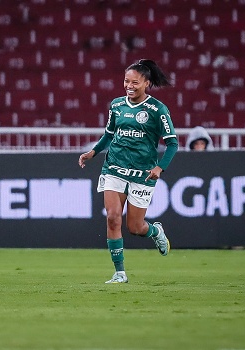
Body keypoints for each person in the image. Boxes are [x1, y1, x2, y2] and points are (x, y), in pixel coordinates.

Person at [78, 59, 178, 284]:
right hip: (113, 168)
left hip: (142, 174)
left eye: (135, 82)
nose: (129, 86)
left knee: (135, 227)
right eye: (126, 81)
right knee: (113, 218)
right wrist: (92, 153)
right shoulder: (116, 105)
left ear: (147, 83)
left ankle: (155, 232)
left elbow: (172, 143)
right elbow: (109, 135)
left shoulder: (157, 110)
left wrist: (160, 167)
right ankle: (120, 272)